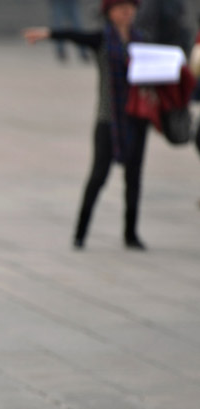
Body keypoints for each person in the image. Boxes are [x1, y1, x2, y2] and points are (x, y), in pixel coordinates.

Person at [24, 0, 150, 250]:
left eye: (130, 7)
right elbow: (75, 36)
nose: (126, 12)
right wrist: (48, 33)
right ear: (109, 12)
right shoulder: (103, 39)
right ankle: (80, 233)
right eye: (120, 7)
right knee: (98, 177)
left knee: (134, 177)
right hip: (109, 119)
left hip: (137, 117)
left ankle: (131, 233)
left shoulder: (143, 41)